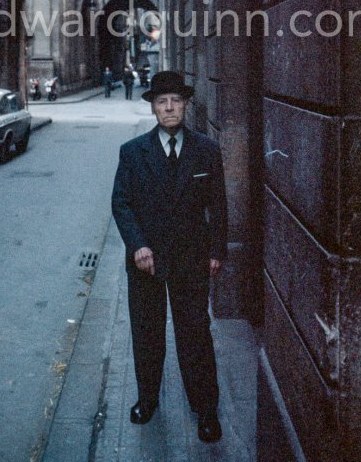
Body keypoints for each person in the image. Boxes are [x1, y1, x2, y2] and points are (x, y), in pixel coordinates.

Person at [111, 70, 228, 443]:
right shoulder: (132, 153)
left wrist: (216, 250)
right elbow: (121, 204)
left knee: (194, 334)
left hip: (191, 260)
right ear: (153, 108)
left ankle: (206, 409)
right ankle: (147, 400)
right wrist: (138, 246)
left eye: (175, 100)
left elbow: (219, 206)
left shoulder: (206, 150)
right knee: (147, 333)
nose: (169, 107)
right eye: (162, 101)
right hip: (146, 260)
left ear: (186, 104)